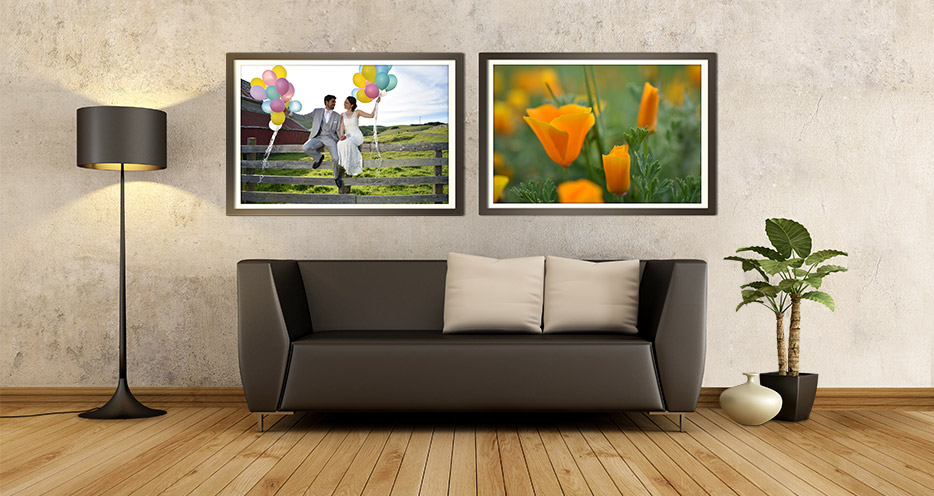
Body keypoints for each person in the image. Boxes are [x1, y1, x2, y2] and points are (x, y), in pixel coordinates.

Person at [301, 95, 344, 188]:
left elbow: (337, 130)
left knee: (336, 158)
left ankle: (336, 177)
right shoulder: (317, 111)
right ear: (326, 102)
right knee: (305, 147)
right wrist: (290, 113)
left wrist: (341, 136)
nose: (334, 103)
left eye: (335, 102)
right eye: (332, 101)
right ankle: (319, 157)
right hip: (318, 137)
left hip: (330, 139)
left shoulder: (337, 116)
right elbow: (304, 118)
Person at [337, 95, 379, 177]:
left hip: (357, 136)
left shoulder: (357, 112)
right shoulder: (343, 114)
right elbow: (341, 127)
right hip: (348, 136)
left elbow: (371, 115)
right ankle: (345, 165)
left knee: (349, 143)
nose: (344, 104)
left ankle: (353, 167)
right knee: (339, 143)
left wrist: (376, 104)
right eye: (344, 102)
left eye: (346, 103)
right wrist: (342, 135)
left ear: (352, 105)